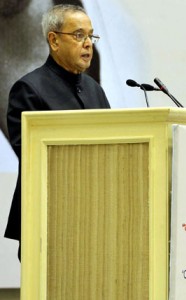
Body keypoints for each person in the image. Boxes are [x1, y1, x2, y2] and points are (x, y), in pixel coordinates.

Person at [4, 4, 110, 260]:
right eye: (78, 35)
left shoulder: (95, 89)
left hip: (96, 218)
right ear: (53, 40)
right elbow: (30, 154)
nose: (88, 44)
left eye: (91, 36)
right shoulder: (29, 89)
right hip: (48, 220)